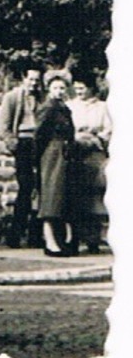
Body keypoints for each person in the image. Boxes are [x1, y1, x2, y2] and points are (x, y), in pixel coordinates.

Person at [0, 62, 43, 247]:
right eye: (30, 79)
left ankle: (35, 235)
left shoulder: (43, 98)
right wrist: (13, 144)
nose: (33, 83)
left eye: (36, 80)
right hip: (23, 145)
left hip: (40, 145)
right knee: (25, 188)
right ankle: (15, 234)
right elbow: (4, 126)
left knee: (40, 189)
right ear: (24, 78)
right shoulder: (12, 97)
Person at [35, 69, 78, 257]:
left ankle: (65, 241)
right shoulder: (48, 108)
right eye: (55, 87)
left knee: (63, 198)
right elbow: (39, 135)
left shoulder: (64, 108)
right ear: (48, 88)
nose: (59, 91)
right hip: (52, 155)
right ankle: (50, 242)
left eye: (62, 87)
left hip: (65, 155)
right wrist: (40, 158)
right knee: (51, 198)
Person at [68, 76, 111, 254]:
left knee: (94, 197)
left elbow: (109, 129)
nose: (79, 92)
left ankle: (93, 239)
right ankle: (75, 238)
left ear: (91, 88)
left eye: (83, 88)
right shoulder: (70, 105)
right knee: (76, 197)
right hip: (75, 155)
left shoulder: (102, 107)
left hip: (94, 155)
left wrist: (97, 136)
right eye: (76, 88)